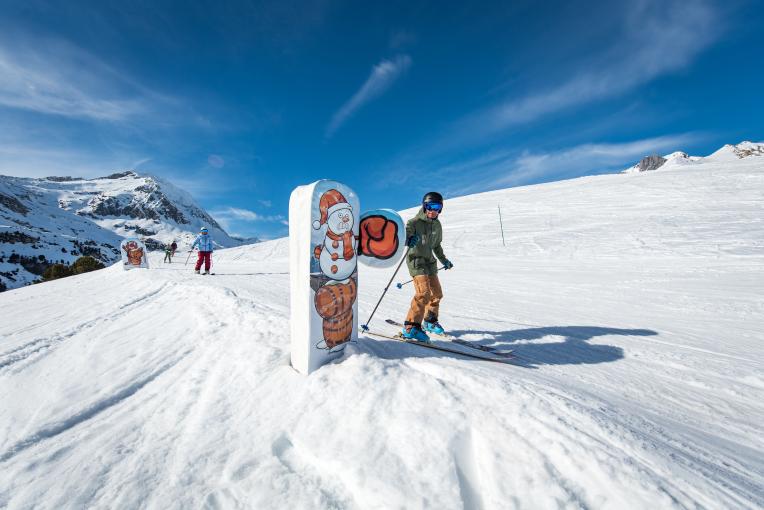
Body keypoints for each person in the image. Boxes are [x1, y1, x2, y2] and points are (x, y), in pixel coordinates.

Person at [401, 192, 453, 342]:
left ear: (440, 209)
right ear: (424, 206)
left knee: (437, 294)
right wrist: (409, 239)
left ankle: (430, 321)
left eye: (436, 207)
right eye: (429, 206)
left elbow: (436, 246)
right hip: (416, 261)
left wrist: (444, 260)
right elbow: (405, 236)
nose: (432, 210)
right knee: (423, 293)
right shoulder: (414, 222)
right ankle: (410, 326)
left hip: (430, 263)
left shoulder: (437, 225)